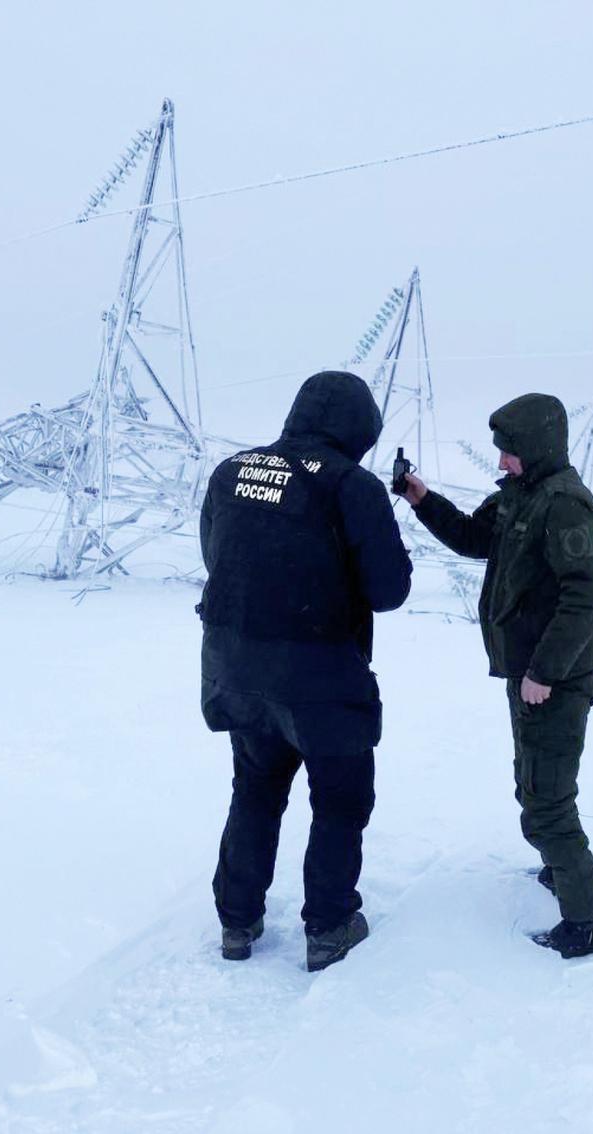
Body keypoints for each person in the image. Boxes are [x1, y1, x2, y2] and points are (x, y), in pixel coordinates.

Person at [197, 371, 412, 972]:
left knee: (256, 790)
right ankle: (330, 924)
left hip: (236, 667)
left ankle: (237, 923)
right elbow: (389, 590)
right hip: (321, 678)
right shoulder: (353, 486)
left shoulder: (232, 471)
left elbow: (217, 556)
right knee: (341, 801)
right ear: (358, 429)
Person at [403, 392, 593, 958]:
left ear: (538, 447)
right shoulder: (523, 495)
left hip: (555, 680)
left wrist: (544, 671)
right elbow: (474, 538)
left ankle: (587, 925)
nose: (501, 463)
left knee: (548, 800)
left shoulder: (565, 504)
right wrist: (421, 498)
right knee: (532, 781)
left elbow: (587, 599)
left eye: (510, 452)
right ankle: (558, 866)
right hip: (528, 676)